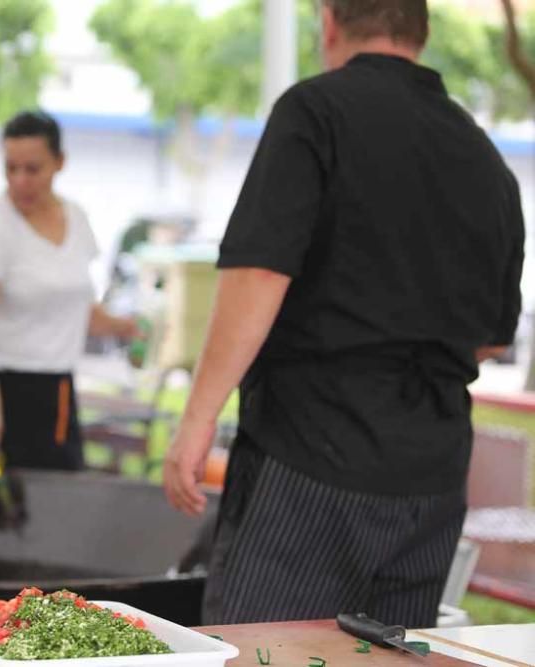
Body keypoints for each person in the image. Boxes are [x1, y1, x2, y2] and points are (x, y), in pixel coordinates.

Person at [163, 0, 525, 628]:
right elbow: (490, 340)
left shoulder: (315, 111)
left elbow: (259, 273)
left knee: (268, 650)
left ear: (328, 22)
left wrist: (197, 419)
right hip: (431, 479)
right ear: (422, 29)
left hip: (312, 457)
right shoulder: (486, 159)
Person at [0, 110, 140, 471]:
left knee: (58, 509)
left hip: (56, 391)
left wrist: (123, 327)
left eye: (32, 169)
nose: (20, 180)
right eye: (10, 168)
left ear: (59, 163)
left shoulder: (77, 218)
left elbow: (76, 307)